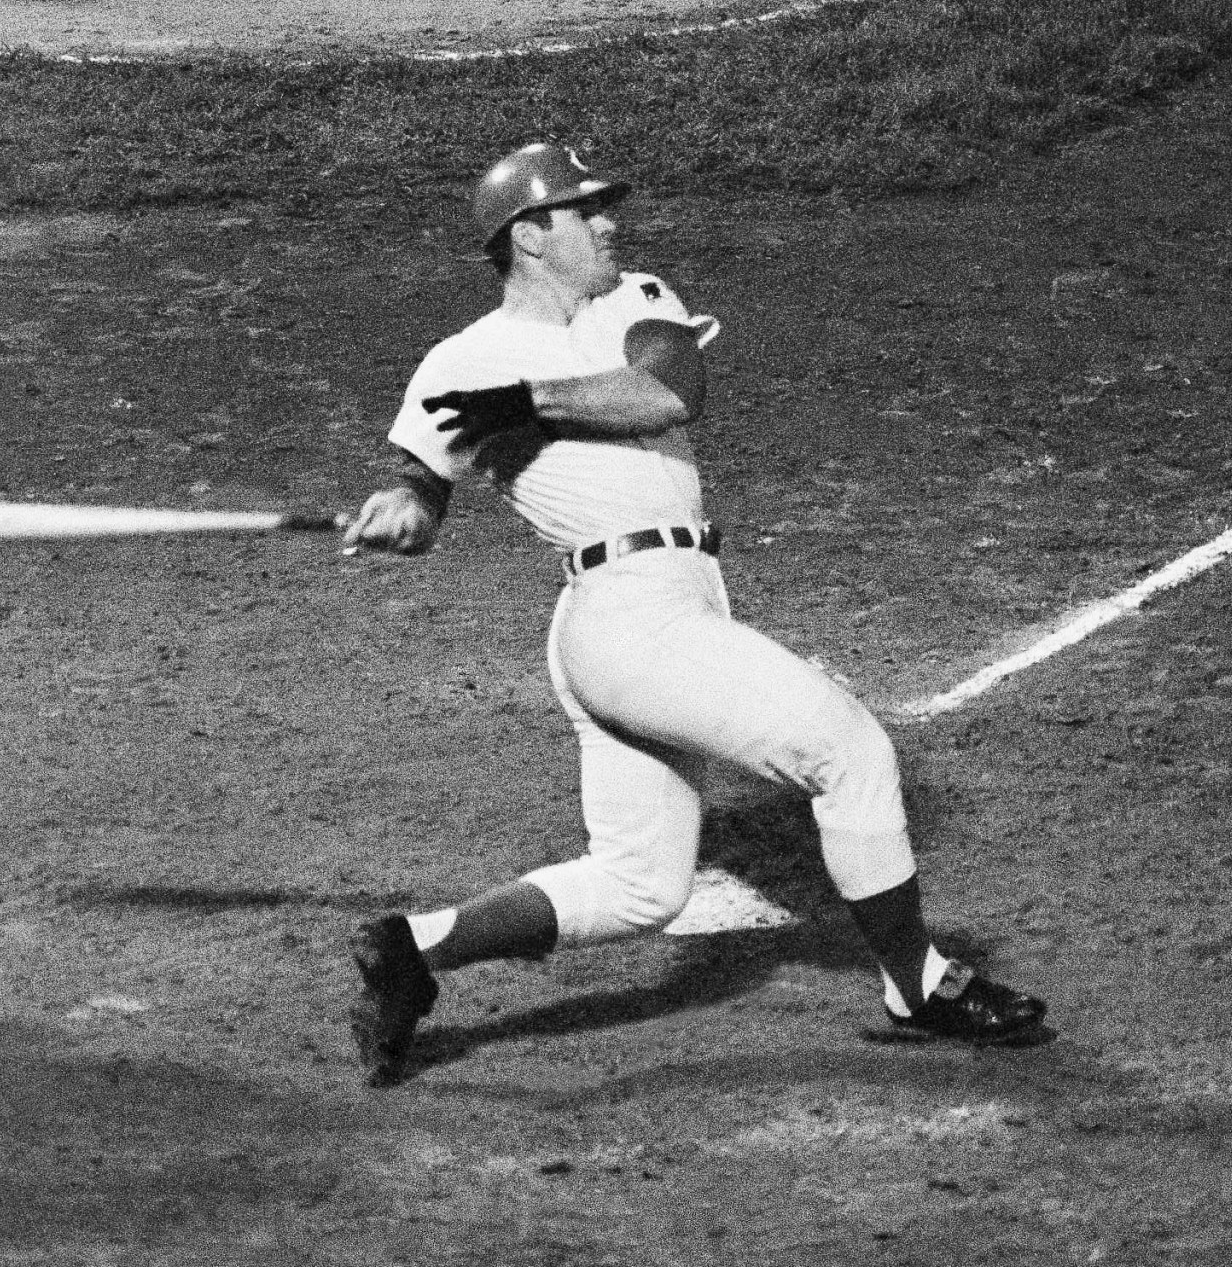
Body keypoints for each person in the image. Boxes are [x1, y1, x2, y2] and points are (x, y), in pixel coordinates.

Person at [339, 143, 1048, 1087]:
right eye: (585, 212)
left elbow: (670, 391)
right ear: (530, 236)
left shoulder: (633, 300)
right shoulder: (456, 361)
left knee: (641, 886)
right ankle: (917, 985)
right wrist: (404, 513)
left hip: (660, 611)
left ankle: (412, 949)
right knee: (852, 752)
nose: (608, 226)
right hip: (625, 619)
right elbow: (422, 488)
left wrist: (526, 402)